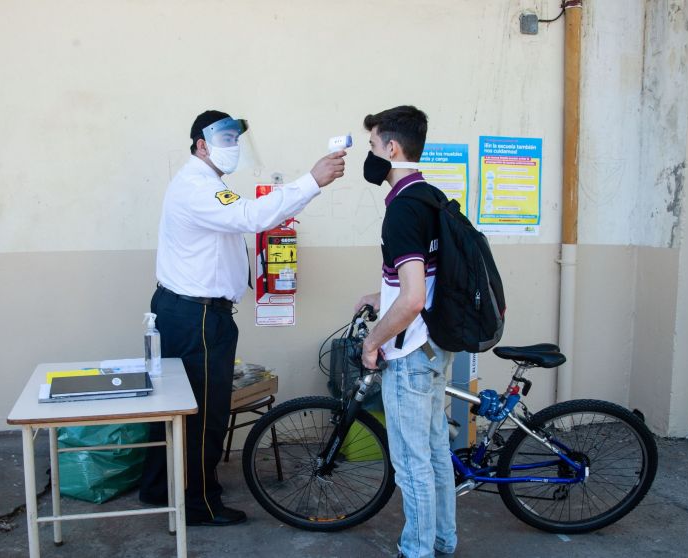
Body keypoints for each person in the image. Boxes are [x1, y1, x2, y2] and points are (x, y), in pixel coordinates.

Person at [139, 110, 346, 526]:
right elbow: (251, 217)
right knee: (204, 413)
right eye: (226, 139)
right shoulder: (198, 187)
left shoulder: (206, 186)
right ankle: (200, 504)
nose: (233, 147)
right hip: (196, 318)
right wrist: (311, 181)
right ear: (201, 144)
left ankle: (161, 487)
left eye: (237, 139)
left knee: (178, 406)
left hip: (188, 312)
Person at [354, 105, 457, 557]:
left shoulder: (401, 210)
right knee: (435, 457)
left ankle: (417, 552)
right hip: (437, 349)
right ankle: (442, 541)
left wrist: (373, 341)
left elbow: (413, 298)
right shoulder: (431, 197)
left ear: (392, 148)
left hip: (411, 355)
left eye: (374, 145)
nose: (372, 154)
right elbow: (426, 281)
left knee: (412, 465)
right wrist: (379, 297)